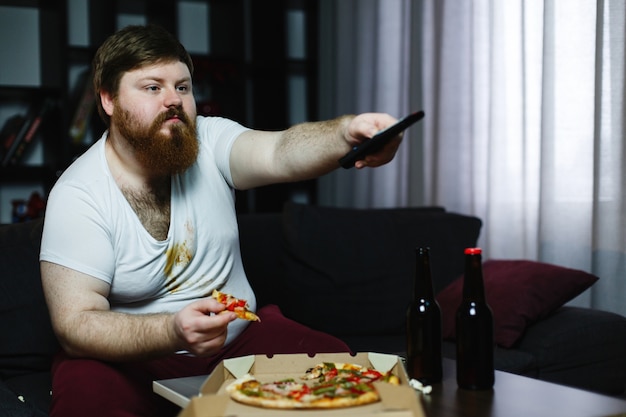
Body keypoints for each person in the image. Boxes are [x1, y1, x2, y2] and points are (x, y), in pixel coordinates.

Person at [39, 24, 403, 417]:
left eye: (182, 87)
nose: (172, 100)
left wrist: (346, 133)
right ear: (108, 100)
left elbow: (281, 151)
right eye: (152, 87)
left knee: (354, 378)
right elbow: (75, 325)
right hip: (135, 358)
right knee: (85, 397)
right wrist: (172, 330)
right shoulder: (79, 194)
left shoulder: (209, 140)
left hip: (239, 343)